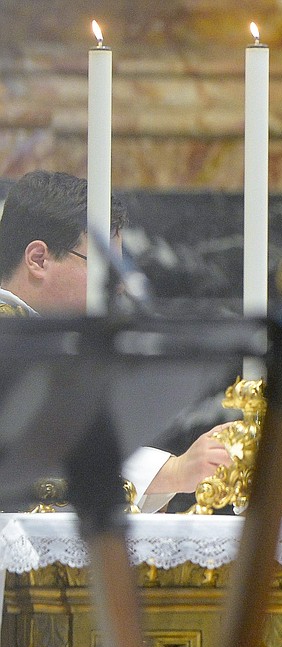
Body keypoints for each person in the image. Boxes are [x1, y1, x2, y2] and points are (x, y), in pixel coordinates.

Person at [0, 170, 232, 511]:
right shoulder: (17, 341)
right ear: (39, 259)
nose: (119, 285)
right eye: (106, 267)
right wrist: (172, 472)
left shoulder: (55, 340)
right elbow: (41, 456)